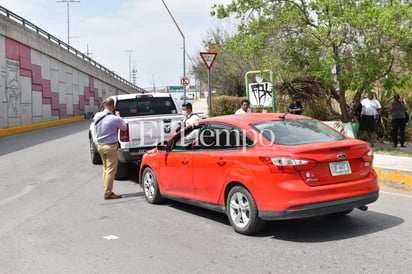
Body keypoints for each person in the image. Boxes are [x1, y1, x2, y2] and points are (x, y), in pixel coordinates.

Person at [93, 97, 127, 200]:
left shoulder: (97, 116)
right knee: (110, 170)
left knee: (105, 168)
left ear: (104, 106)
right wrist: (119, 117)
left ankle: (106, 189)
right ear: (113, 107)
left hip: (100, 146)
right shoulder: (114, 118)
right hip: (110, 147)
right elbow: (124, 127)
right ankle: (108, 193)